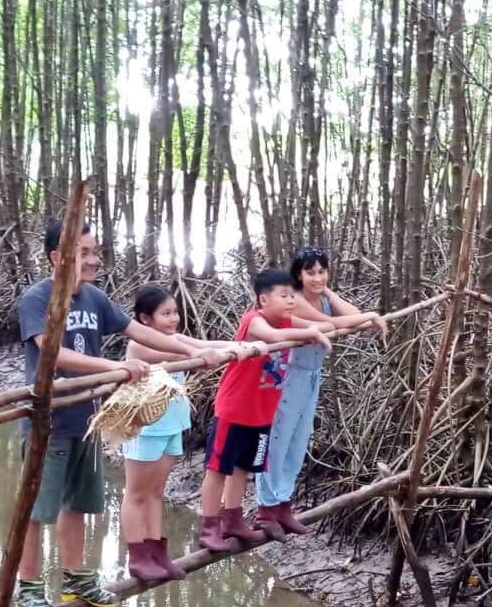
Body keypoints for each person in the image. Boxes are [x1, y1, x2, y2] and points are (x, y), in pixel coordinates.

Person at [14, 222, 227, 607]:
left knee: (77, 503)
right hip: (49, 423)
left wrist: (200, 349)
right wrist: (116, 367)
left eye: (96, 251)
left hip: (87, 421)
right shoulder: (37, 298)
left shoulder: (94, 298)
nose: (94, 260)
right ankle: (28, 587)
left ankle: (76, 577)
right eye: (83, 252)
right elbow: (52, 352)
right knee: (37, 509)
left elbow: (140, 332)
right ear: (57, 259)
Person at [118, 284, 246, 585]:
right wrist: (206, 351)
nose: (173, 319)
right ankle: (137, 556)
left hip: (172, 425)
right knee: (136, 493)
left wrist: (241, 345)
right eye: (166, 314)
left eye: (175, 312)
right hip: (145, 427)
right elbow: (187, 348)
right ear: (145, 319)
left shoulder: (174, 339)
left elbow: (199, 342)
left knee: (156, 492)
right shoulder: (139, 345)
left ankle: (157, 551)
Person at [196, 268, 331, 552]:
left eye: (292, 295)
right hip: (235, 409)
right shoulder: (254, 320)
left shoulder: (284, 320)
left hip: (261, 412)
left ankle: (233, 518)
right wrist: (310, 332)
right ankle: (209, 525)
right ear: (263, 300)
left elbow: (309, 325)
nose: (291, 300)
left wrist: (314, 331)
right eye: (284, 295)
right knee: (218, 468)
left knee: (244, 468)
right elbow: (269, 334)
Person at [256, 245, 387, 534]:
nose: (317, 277)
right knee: (277, 441)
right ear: (298, 276)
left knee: (299, 440)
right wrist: (370, 316)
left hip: (311, 377)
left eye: (322, 271)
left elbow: (352, 315)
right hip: (287, 378)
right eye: (310, 272)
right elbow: (332, 324)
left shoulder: (323, 299)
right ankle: (266, 508)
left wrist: (330, 293)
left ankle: (283, 504)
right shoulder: (297, 300)